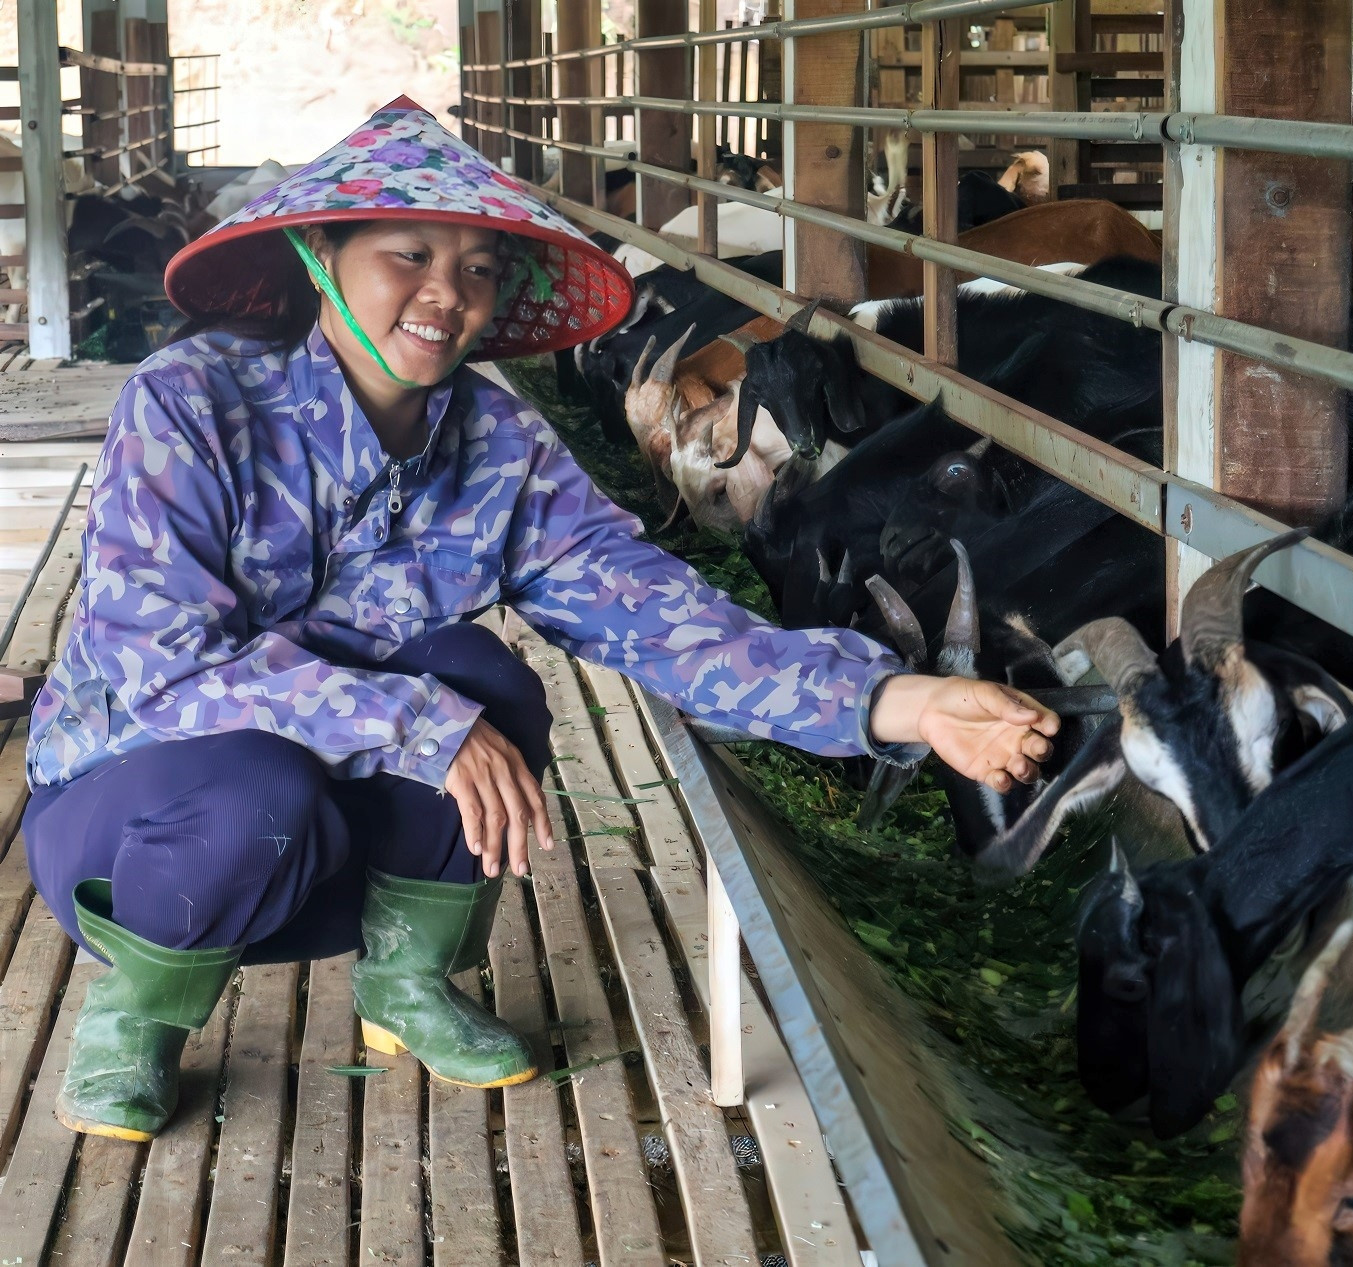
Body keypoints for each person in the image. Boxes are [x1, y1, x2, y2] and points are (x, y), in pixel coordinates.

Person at [22, 98, 1058, 1141]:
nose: (446, 294)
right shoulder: (191, 403)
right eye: (409, 255)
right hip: (140, 813)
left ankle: (405, 979)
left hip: (328, 837)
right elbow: (160, 667)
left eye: (479, 267)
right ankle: (134, 1018)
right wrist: (424, 724)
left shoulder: (496, 442)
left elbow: (659, 617)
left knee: (486, 676)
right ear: (319, 250)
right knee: (267, 782)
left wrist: (897, 698)